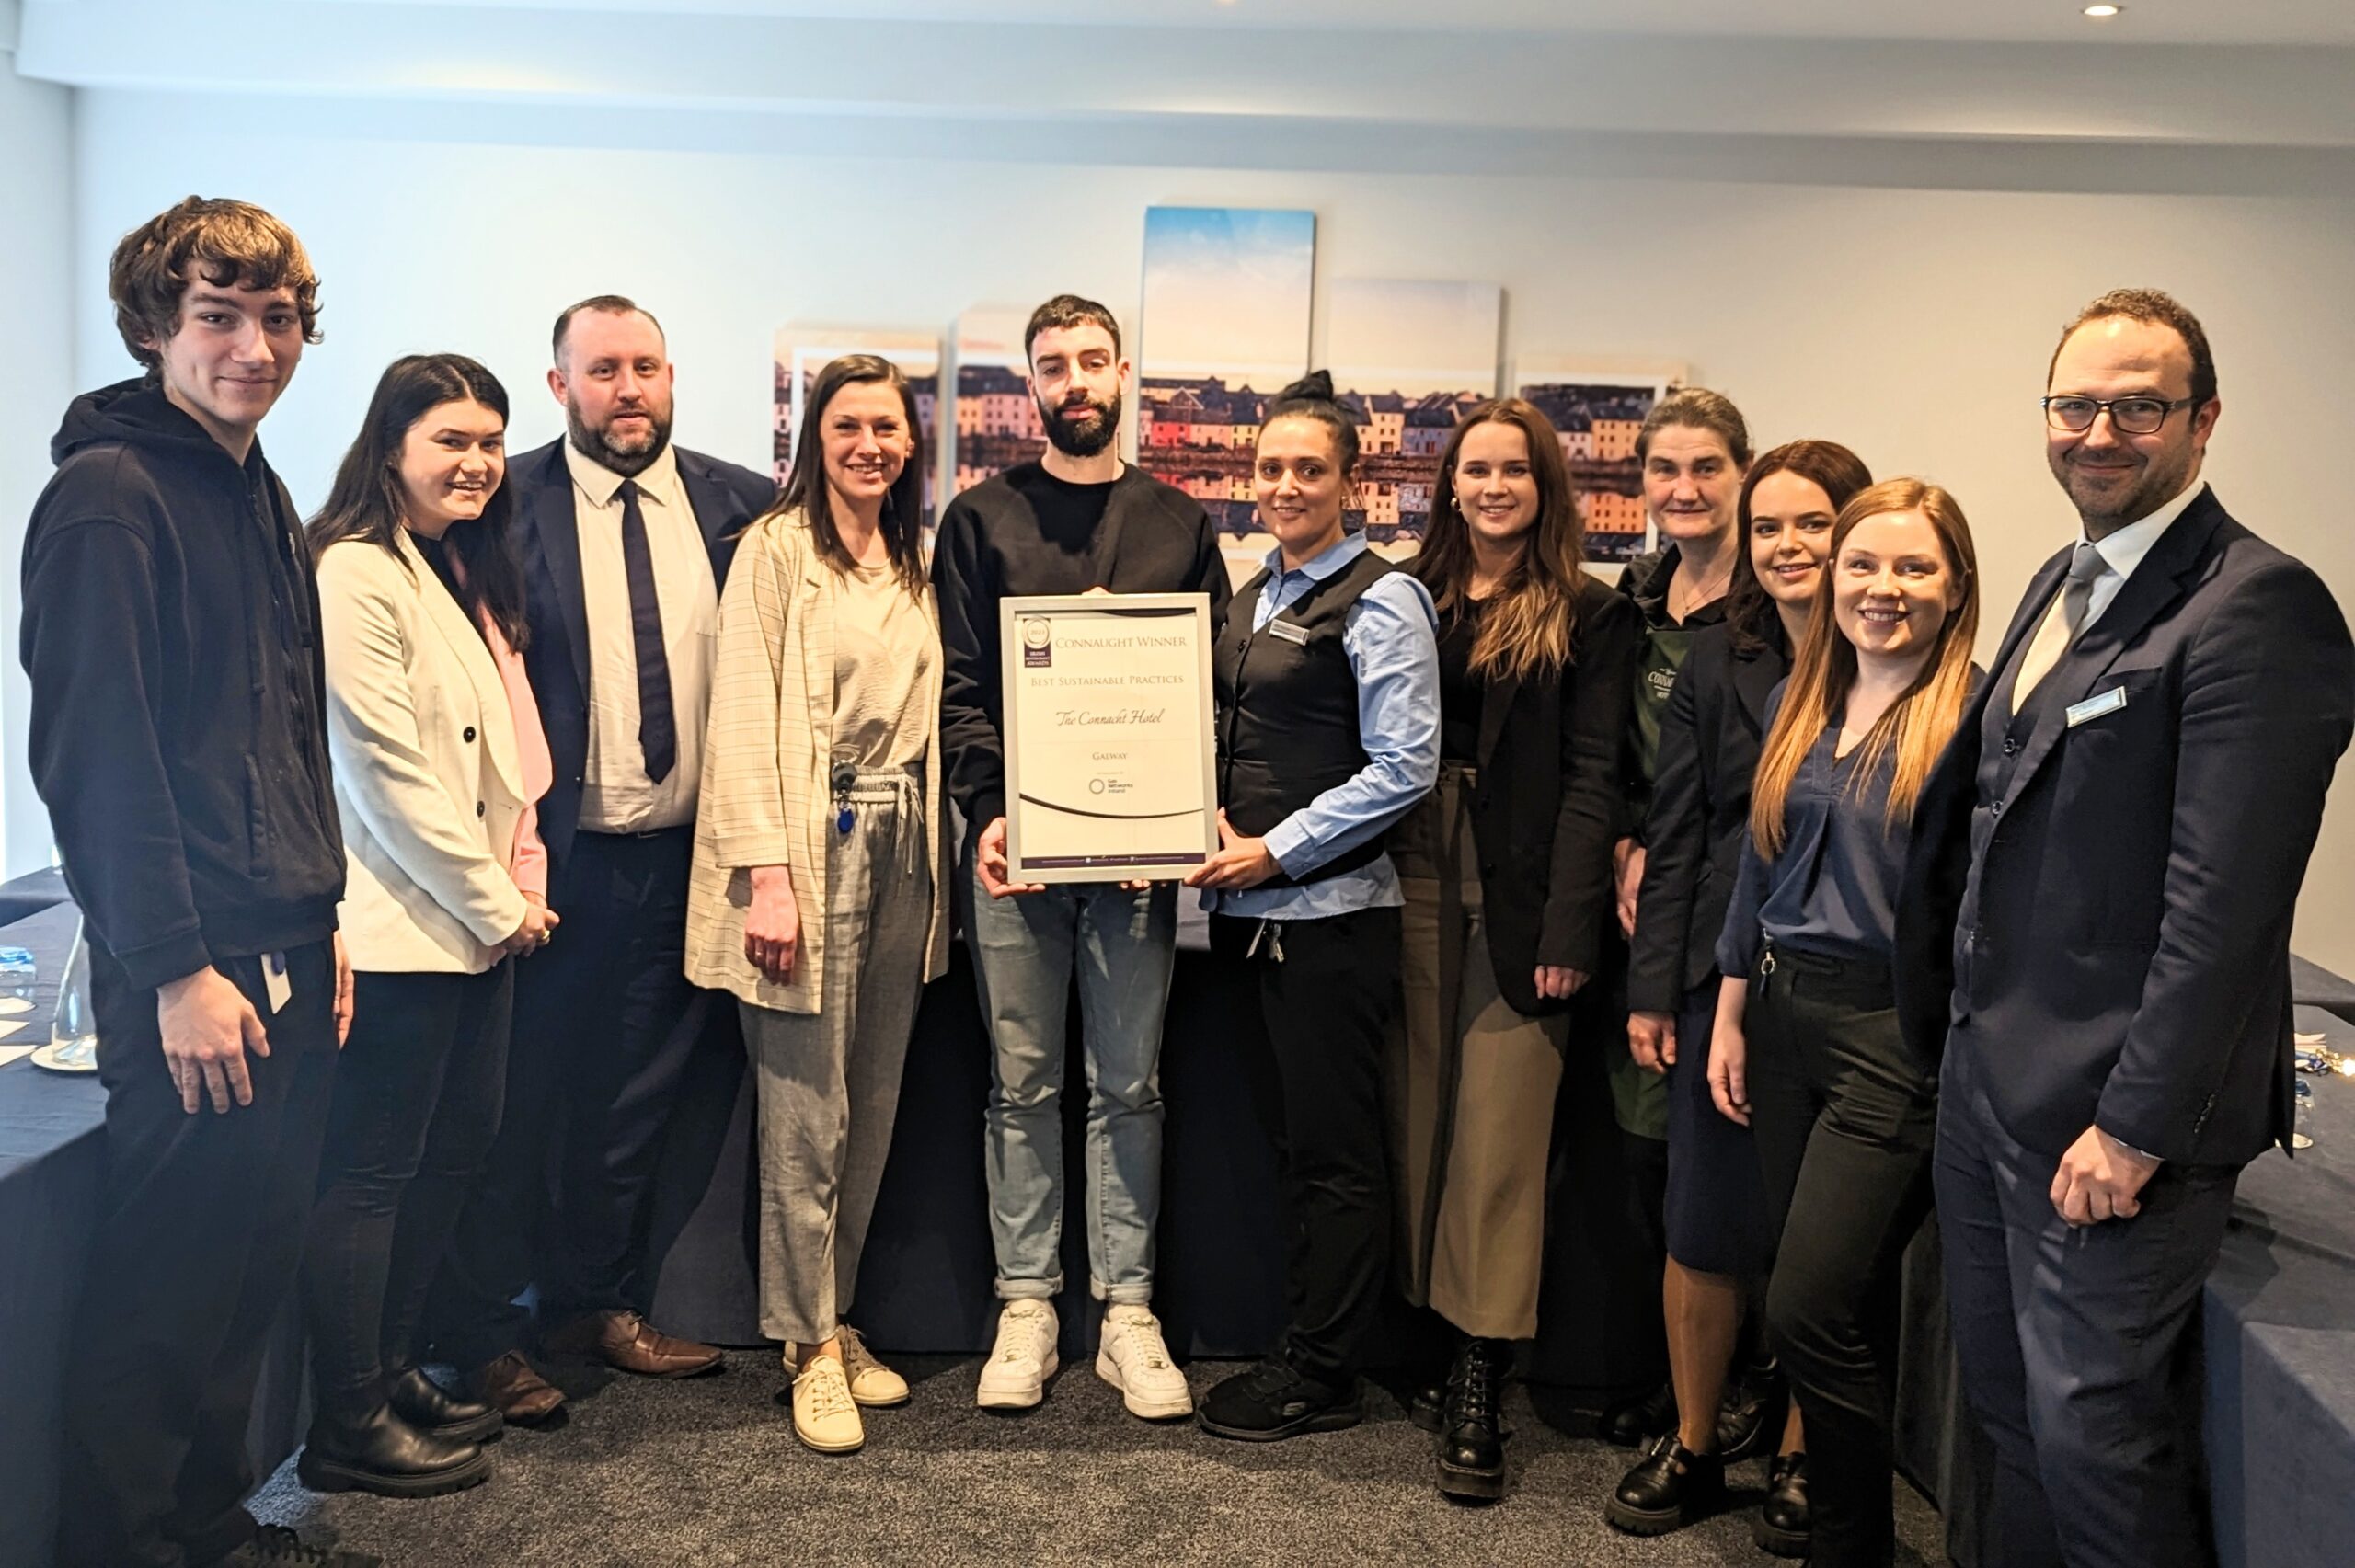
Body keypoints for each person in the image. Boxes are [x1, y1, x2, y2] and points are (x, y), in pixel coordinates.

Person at [1898, 290, 2355, 1568]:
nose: (2101, 430)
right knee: (2010, 1417)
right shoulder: (2064, 575)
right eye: (2076, 403)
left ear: (2202, 422)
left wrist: (2138, 1126)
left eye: (2140, 404)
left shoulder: (2257, 608)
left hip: (2112, 1121)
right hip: (1989, 1088)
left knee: (2095, 1434)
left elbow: (2227, 910)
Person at [24, 198, 375, 1568]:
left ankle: (204, 1521)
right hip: (192, 961)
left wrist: (322, 916)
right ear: (156, 329)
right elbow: (94, 752)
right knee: (171, 1273)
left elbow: (286, 734)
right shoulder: (109, 494)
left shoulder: (257, 484)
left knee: (246, 1260)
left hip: (281, 933)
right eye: (219, 316)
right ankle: (127, 1545)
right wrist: (174, 967)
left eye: (277, 318)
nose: (254, 345)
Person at [424, 296, 775, 1420]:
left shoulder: (743, 508)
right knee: (519, 1102)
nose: (629, 389)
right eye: (603, 370)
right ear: (559, 384)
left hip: (685, 864)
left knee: (637, 1105)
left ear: (673, 377)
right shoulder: (501, 500)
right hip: (551, 868)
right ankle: (481, 1335)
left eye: (647, 368)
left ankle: (595, 1303)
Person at [932, 293, 1229, 1418]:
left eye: (1091, 360)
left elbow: (1206, 692)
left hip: (1140, 861)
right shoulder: (980, 519)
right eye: (1052, 364)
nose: (1074, 380)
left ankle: (1128, 1311)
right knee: (1020, 1083)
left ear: (1122, 372)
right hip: (1017, 850)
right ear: (1032, 383)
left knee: (1131, 1083)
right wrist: (987, 812)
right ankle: (1026, 1304)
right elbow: (961, 688)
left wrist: (1169, 813)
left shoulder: (1179, 521)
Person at [1708, 477, 1980, 1566]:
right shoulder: (1800, 701)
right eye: (1863, 563)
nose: (1882, 587)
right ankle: (1848, 1538)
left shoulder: (1973, 724)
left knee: (1807, 1307)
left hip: (1888, 1043)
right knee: (1839, 1302)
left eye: (1913, 567)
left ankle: (1847, 1540)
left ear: (1955, 586)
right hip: (1779, 1021)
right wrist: (1731, 1008)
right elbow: (1754, 870)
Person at [298, 355, 555, 1498]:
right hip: (406, 934)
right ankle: (346, 1419)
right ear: (391, 444)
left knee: (450, 1158)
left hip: (468, 932)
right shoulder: (353, 569)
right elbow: (386, 773)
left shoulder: (438, 566)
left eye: (492, 441)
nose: (478, 462)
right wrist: (500, 904)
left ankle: (392, 1372)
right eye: (451, 438)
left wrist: (501, 903)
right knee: (370, 1178)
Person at [685, 355, 950, 1454]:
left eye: (886, 427)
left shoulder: (916, 563)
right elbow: (743, 716)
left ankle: (833, 1322)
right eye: (848, 426)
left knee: (872, 1100)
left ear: (908, 442)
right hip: (808, 837)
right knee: (805, 1111)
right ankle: (802, 1342)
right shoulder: (773, 552)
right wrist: (771, 877)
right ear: (816, 438)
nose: (869, 446)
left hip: (902, 844)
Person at [1609, 440, 1872, 1548]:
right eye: (1768, 528)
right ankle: (1697, 1437)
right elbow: (1674, 833)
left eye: (1813, 524)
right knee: (1704, 1223)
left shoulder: (1902, 652)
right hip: (1723, 971)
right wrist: (1654, 987)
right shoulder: (1719, 658)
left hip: (1858, 991)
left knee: (1823, 1245)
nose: (1788, 546)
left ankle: (1805, 1453)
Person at [1390, 398, 1637, 1499]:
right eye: (1474, 469)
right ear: (1448, 483)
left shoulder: (1590, 612)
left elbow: (1597, 778)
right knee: (1416, 1116)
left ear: (1545, 488)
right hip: (1401, 874)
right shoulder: (1407, 597)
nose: (1492, 487)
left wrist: (1568, 924)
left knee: (1497, 1136)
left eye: (1515, 472)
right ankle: (1421, 1337)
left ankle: (1483, 1361)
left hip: (1521, 891)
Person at [1188, 371, 1441, 1441]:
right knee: (1290, 1147)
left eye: (1308, 469)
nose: (1284, 485)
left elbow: (1406, 763)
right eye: (1270, 468)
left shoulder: (1383, 597)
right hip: (1249, 926)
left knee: (1335, 1156)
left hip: (1330, 920)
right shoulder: (1255, 595)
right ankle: (1308, 1340)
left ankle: (1325, 1370)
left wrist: (1273, 852)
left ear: (1352, 481)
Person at [1596, 387, 1760, 1448]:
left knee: (1722, 1158)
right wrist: (1620, 840)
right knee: (1645, 1151)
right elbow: (1605, 754)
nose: (1685, 489)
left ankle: (1739, 1391)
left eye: (1706, 467)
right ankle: (1680, 1379)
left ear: (1741, 471)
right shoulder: (1635, 597)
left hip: (1727, 921)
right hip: (1637, 919)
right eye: (1665, 470)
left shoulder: (1781, 600)